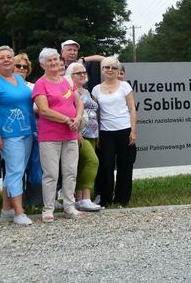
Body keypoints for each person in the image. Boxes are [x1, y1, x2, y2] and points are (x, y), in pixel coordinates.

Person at [33, 48, 85, 221]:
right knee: (51, 174)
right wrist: (66, 120)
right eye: (49, 60)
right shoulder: (41, 83)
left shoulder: (67, 81)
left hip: (70, 134)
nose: (54, 62)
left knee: (71, 172)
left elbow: (78, 102)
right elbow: (44, 110)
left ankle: (69, 207)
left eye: (56, 59)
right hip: (50, 136)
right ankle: (48, 209)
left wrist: (77, 118)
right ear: (42, 64)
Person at [0, 45, 34, 225]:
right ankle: (19, 213)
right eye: (2, 57)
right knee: (15, 171)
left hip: (26, 130)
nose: (6, 60)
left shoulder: (19, 79)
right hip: (8, 133)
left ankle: (6, 209)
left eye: (9, 57)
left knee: (17, 170)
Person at [92, 56, 137, 208]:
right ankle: (104, 199)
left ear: (118, 70)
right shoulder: (96, 90)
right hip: (105, 132)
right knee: (106, 166)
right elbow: (95, 115)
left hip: (124, 130)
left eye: (113, 67)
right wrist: (96, 134)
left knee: (125, 166)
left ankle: (122, 199)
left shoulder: (125, 86)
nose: (110, 70)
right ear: (102, 70)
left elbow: (132, 110)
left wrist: (133, 131)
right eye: (107, 67)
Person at [65, 62, 101, 211]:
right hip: (80, 134)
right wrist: (77, 133)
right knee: (93, 161)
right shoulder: (69, 91)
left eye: (83, 72)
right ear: (70, 76)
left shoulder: (86, 91)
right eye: (78, 73)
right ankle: (86, 197)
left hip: (93, 133)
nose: (82, 75)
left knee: (81, 165)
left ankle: (78, 200)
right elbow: (70, 111)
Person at [14, 53, 43, 208]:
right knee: (16, 168)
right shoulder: (7, 85)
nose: (21, 69)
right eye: (18, 66)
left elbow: (41, 108)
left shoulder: (33, 86)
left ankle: (35, 201)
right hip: (13, 132)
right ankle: (18, 203)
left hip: (34, 130)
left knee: (35, 166)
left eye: (24, 67)